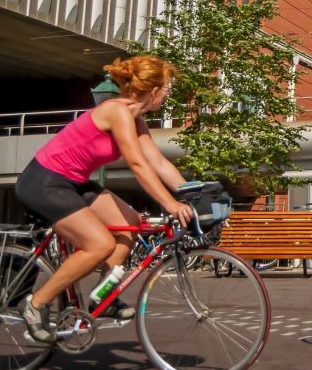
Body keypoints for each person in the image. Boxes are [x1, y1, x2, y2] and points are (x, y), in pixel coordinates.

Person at [14, 55, 195, 343]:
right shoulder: (116, 111)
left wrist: (193, 192)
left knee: (130, 226)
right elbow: (138, 165)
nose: (168, 93)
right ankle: (36, 304)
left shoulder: (138, 122)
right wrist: (171, 203)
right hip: (45, 181)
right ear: (154, 91)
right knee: (99, 245)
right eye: (167, 88)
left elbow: (159, 163)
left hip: (73, 182)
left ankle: (103, 297)